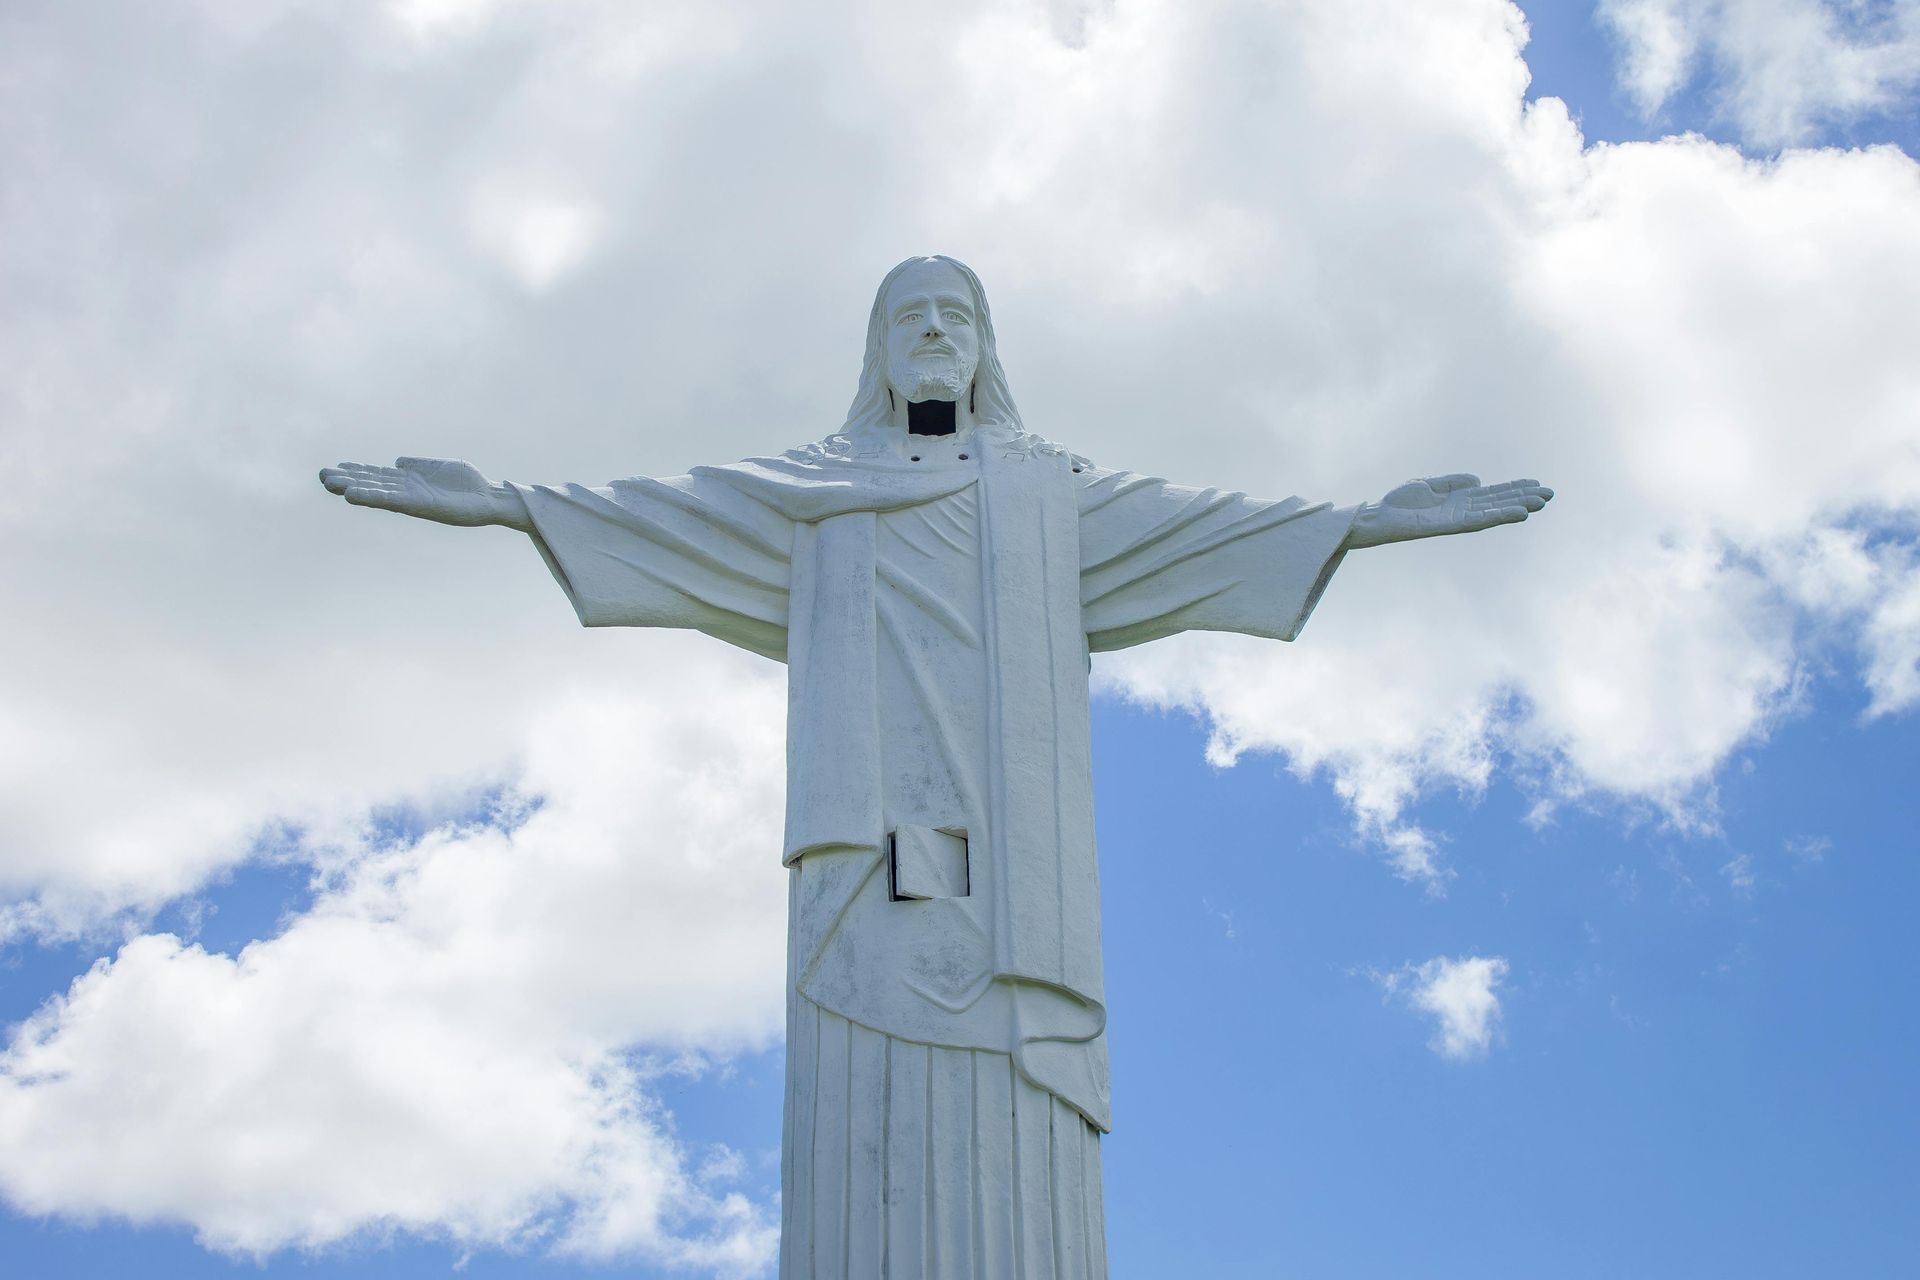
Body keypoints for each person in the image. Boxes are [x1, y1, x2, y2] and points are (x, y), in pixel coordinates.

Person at [321, 255, 1551, 1278]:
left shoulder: (1046, 494)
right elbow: (668, 510)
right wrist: (510, 506)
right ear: (878, 349)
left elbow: (1204, 525)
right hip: (867, 872)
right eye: (909, 314)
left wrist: (1362, 522)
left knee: (1022, 1156)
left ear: (984, 349)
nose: (933, 332)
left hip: (1023, 895)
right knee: (865, 1139)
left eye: (955, 315)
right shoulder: (811, 493)